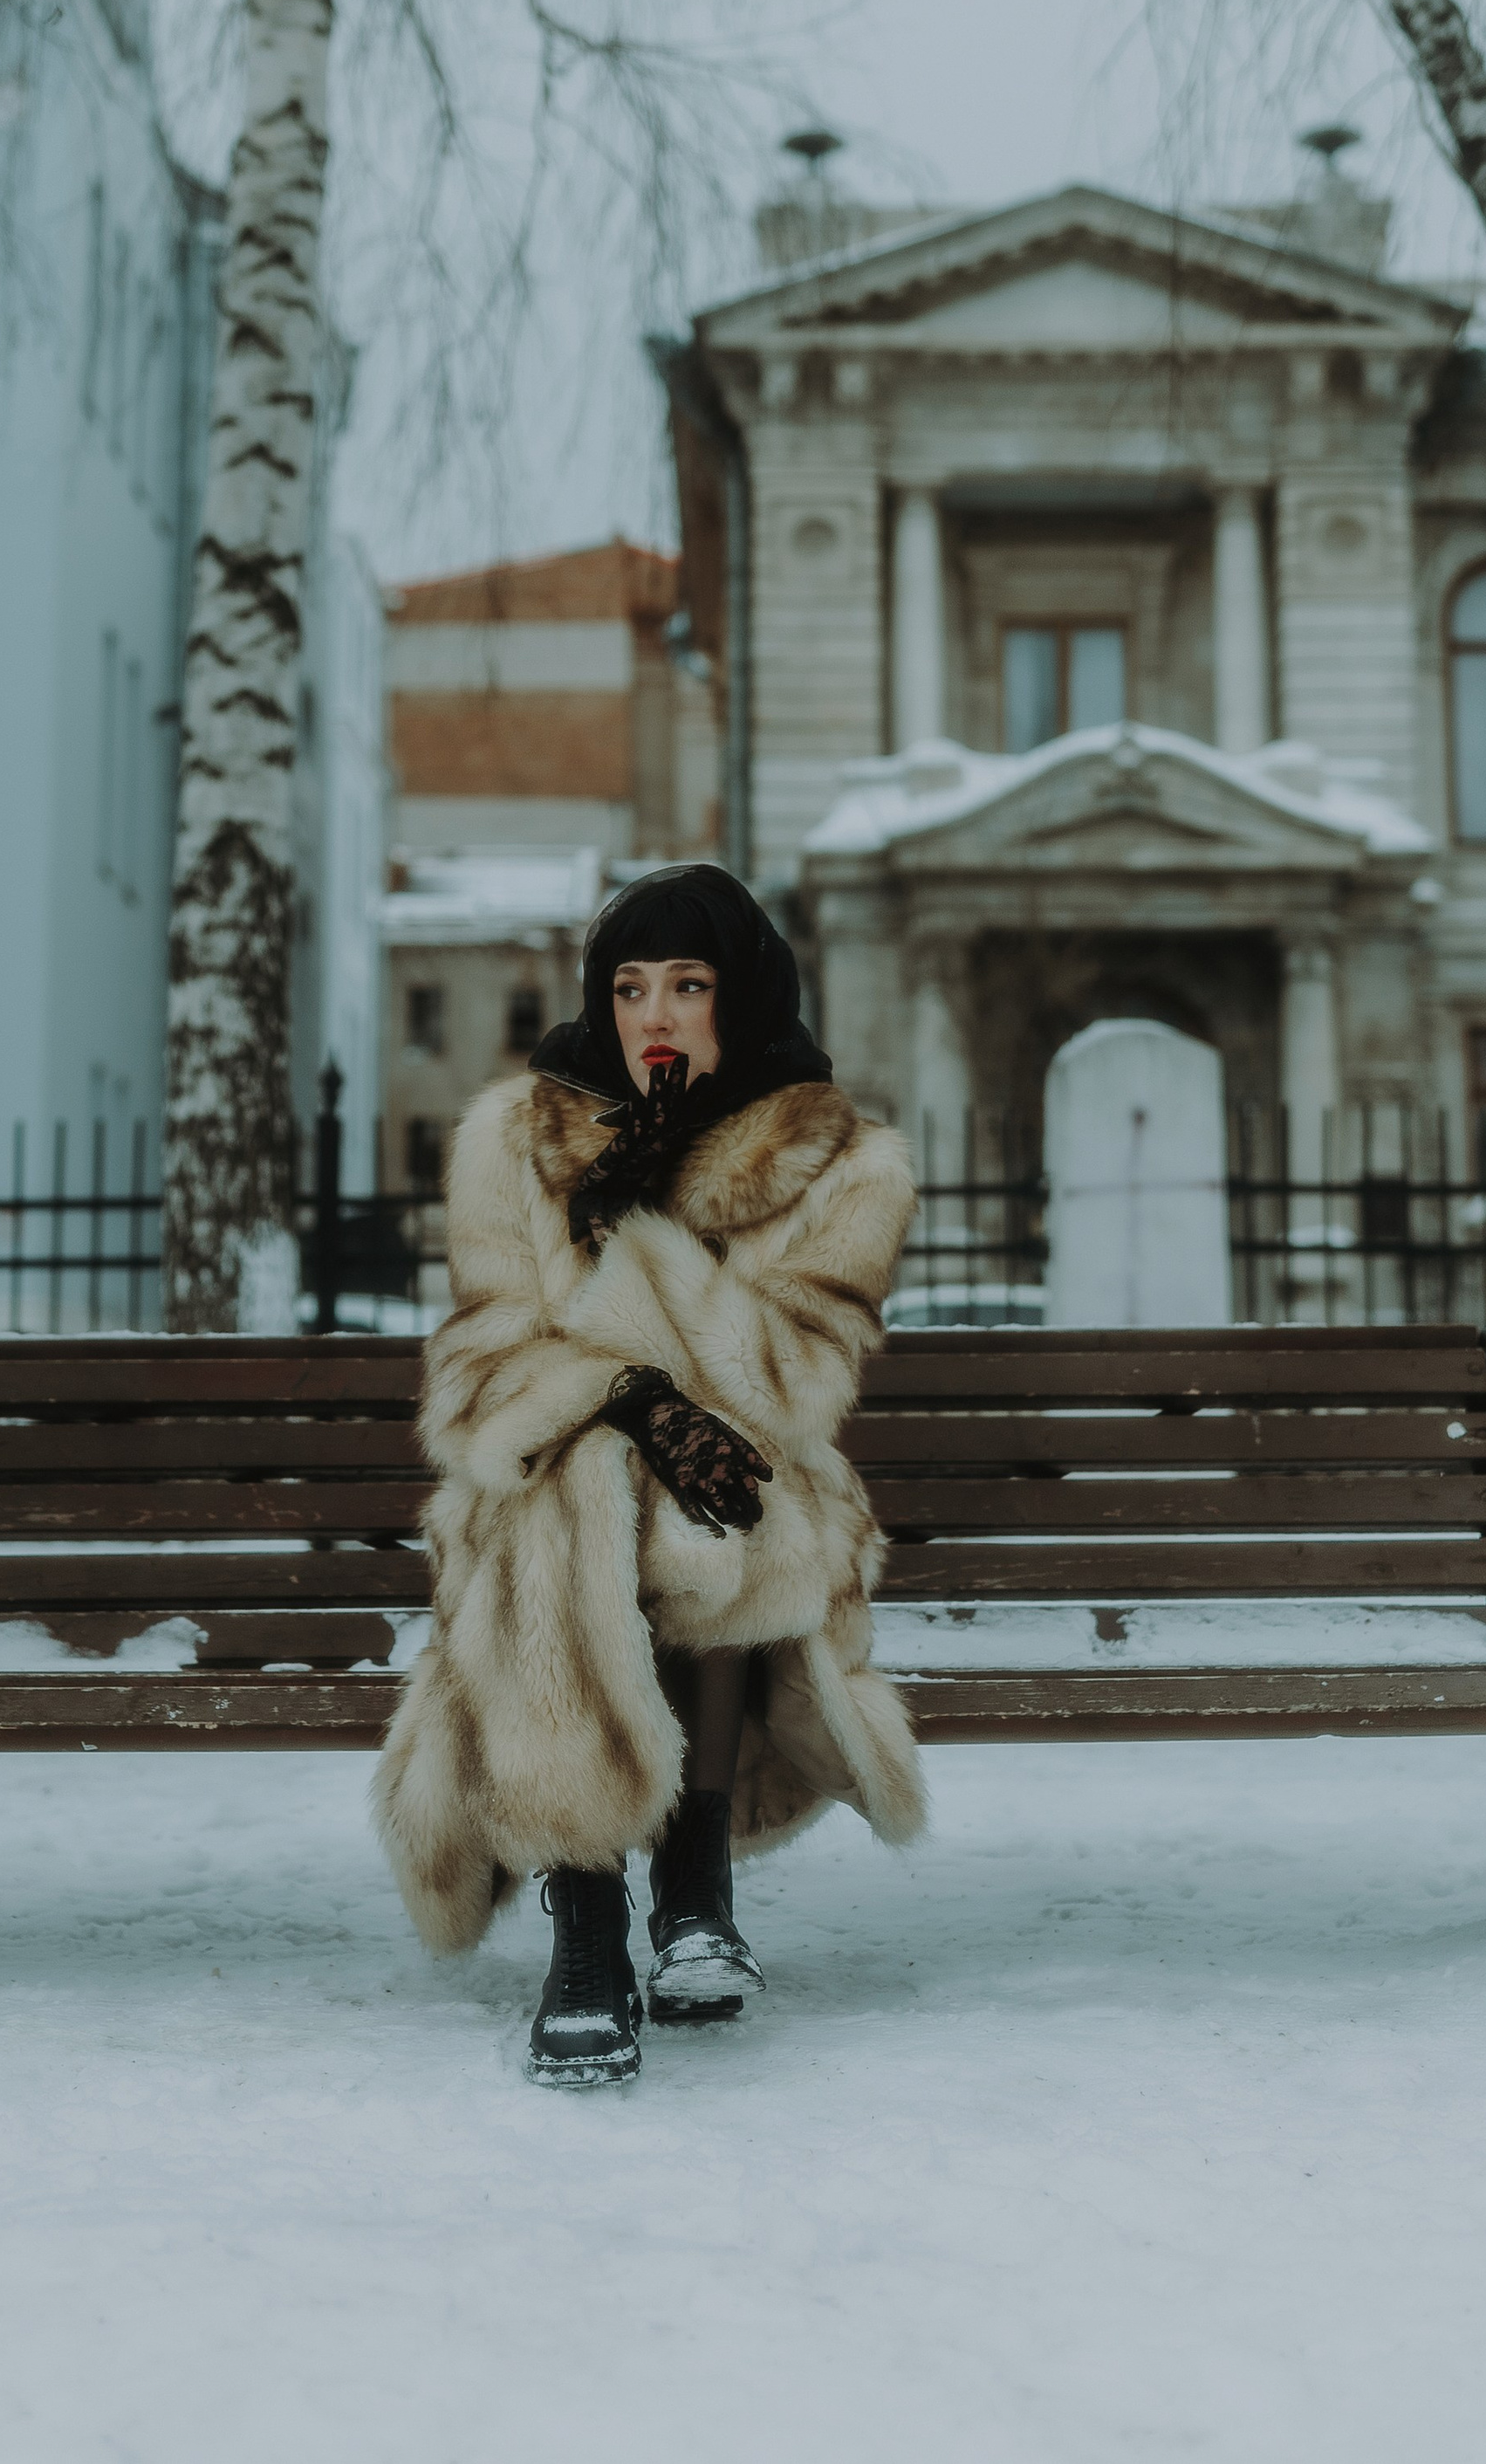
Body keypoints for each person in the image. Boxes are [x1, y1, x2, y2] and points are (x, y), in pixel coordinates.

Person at [373, 861, 925, 2085]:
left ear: (742, 994)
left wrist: (641, 1245)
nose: (655, 1017)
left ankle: (692, 1884)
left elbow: (794, 1379)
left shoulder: (838, 1163)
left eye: (687, 984)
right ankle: (591, 1925)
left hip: (752, 1492)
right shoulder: (517, 1142)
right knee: (570, 1501)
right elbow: (480, 1366)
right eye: (629, 989)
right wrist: (624, 1394)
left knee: (707, 1499)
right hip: (545, 1494)